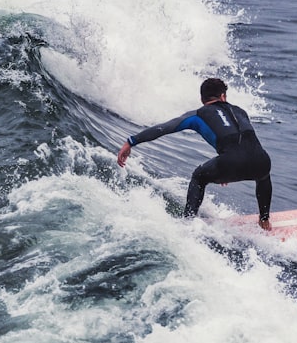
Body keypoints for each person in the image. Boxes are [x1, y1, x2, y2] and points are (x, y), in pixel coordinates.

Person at [116, 78, 273, 229]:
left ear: (202, 98)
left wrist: (131, 141)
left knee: (198, 177)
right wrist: (228, 164)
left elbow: (164, 128)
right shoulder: (240, 111)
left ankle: (188, 223)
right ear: (223, 96)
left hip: (230, 162)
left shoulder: (198, 115)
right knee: (263, 176)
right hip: (262, 161)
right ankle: (264, 220)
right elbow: (239, 140)